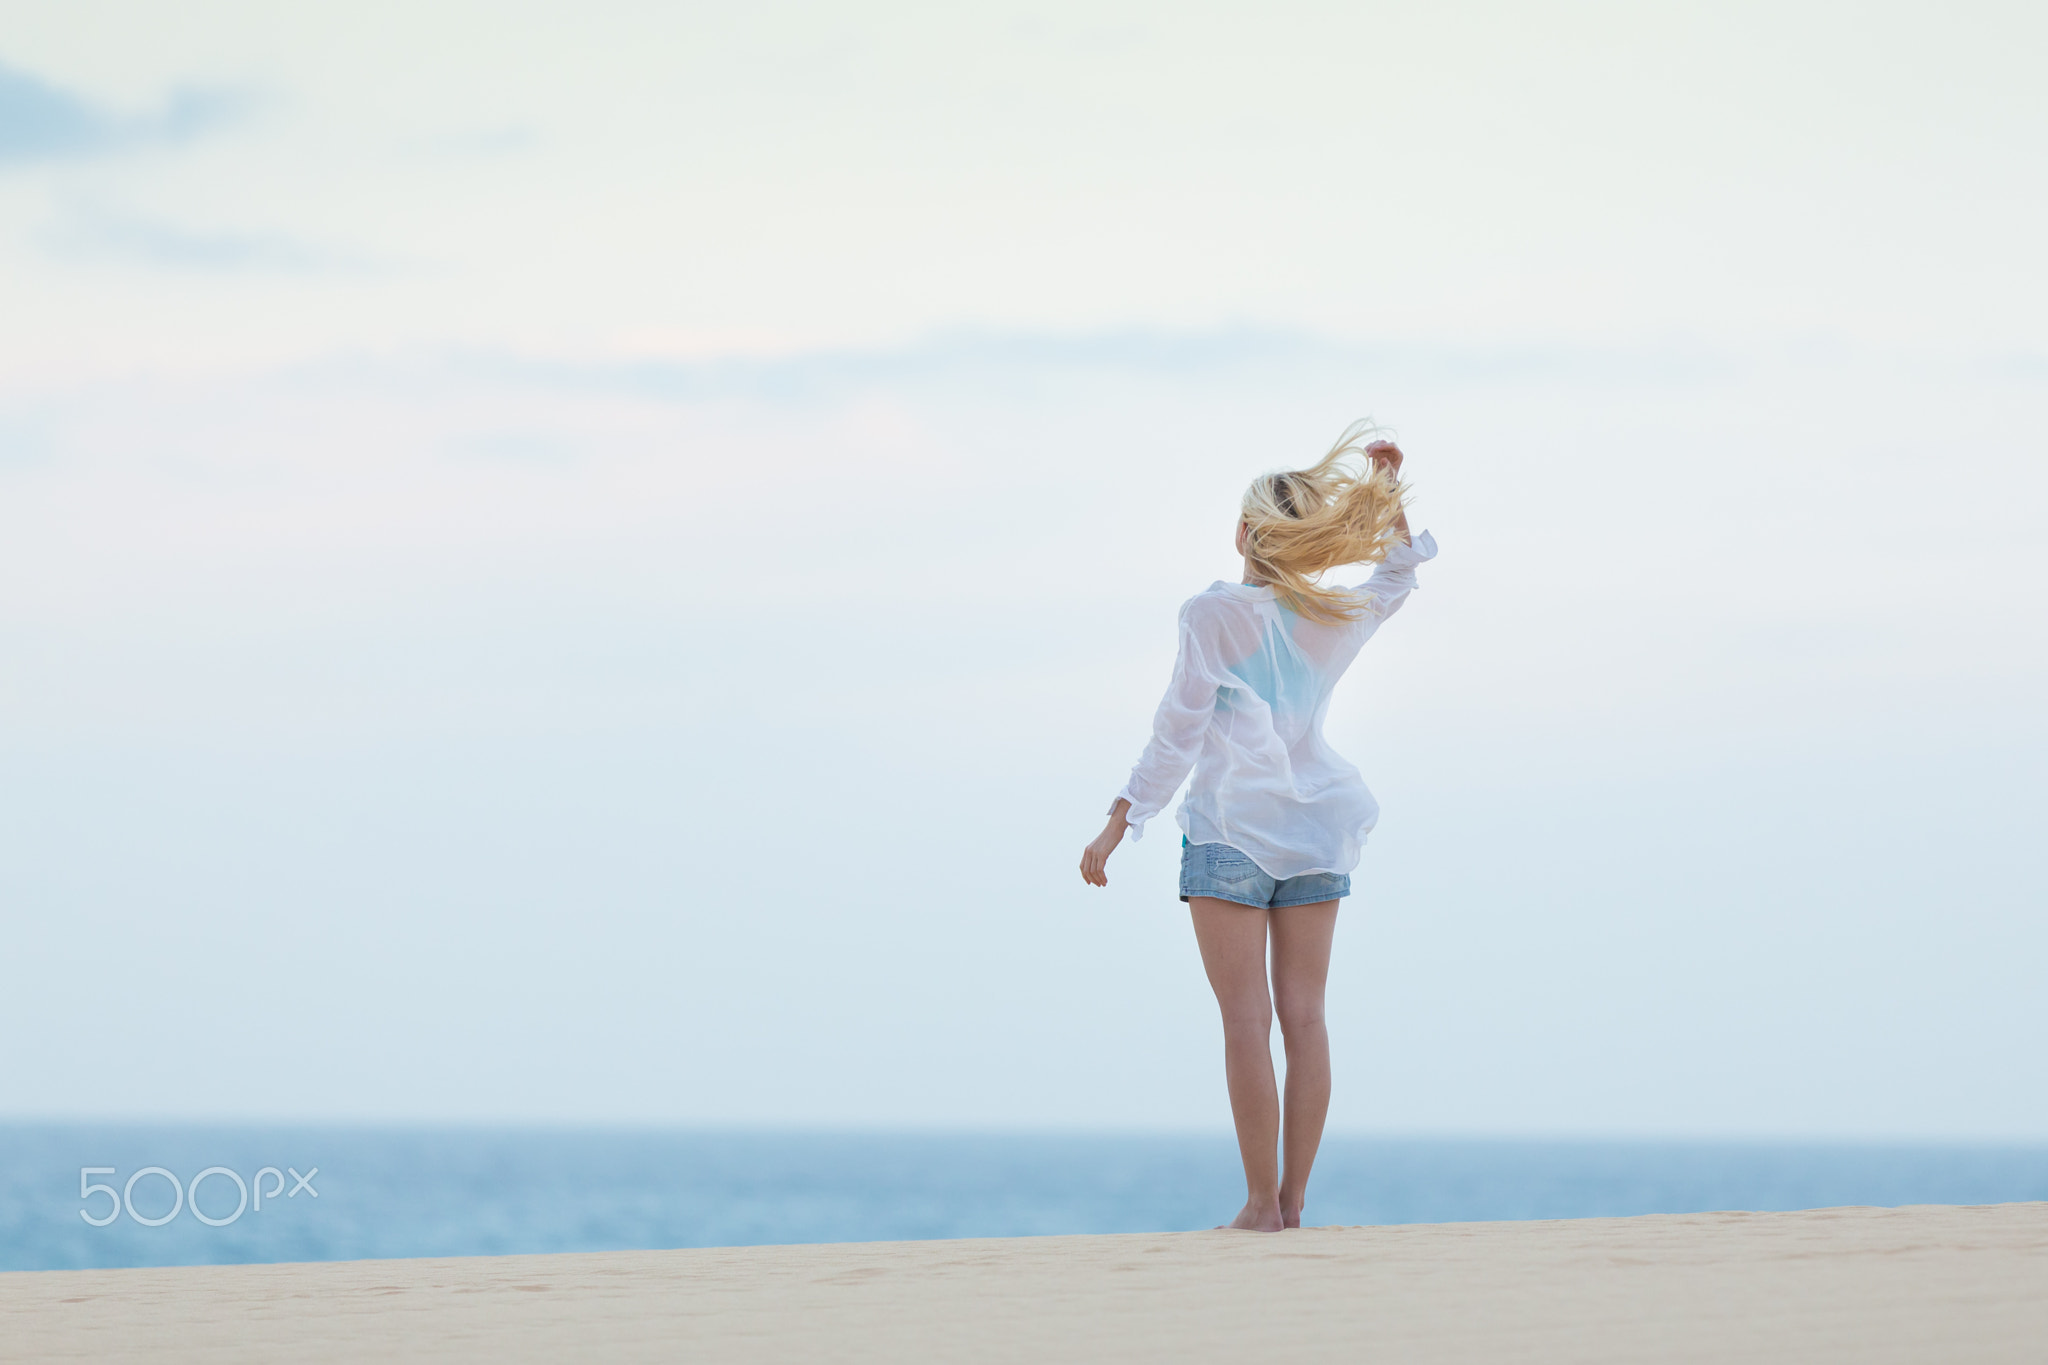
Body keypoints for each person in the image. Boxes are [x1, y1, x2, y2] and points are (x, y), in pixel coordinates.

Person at [1078, 422, 1438, 1232]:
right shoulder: (1334, 613)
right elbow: (1399, 573)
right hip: (1317, 830)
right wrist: (1384, 491)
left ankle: (1258, 1206)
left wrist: (1117, 823)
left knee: (1247, 1021)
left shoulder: (1212, 616)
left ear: (1243, 534)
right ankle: (1296, 1202)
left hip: (1230, 835)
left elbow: (1177, 732)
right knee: (1305, 1016)